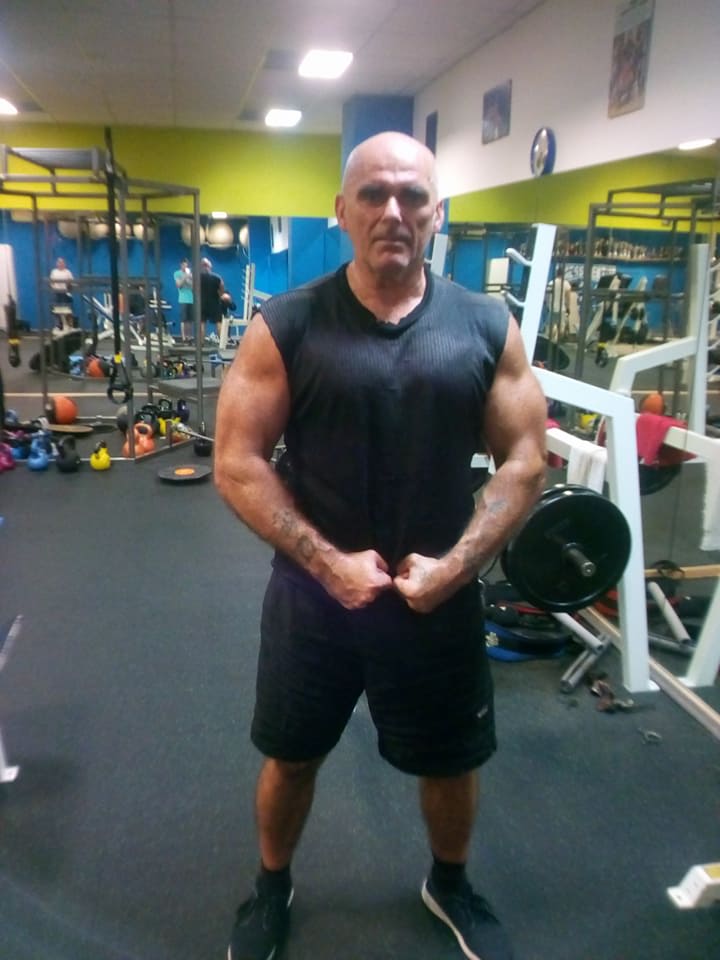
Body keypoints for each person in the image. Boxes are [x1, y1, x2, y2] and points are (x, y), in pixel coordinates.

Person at [213, 131, 548, 960]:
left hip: (438, 596)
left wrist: (457, 568)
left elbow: (525, 460)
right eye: (373, 194)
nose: (393, 211)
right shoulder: (287, 324)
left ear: (438, 212)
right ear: (342, 209)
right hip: (313, 600)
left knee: (452, 761)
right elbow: (236, 460)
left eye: (412, 196)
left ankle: (450, 883)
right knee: (291, 757)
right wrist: (328, 564)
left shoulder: (485, 325)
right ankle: (271, 885)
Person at [199, 256, 225, 341]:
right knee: (218, 322)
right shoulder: (217, 277)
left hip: (202, 303)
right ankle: (222, 344)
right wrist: (219, 295)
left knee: (202, 323)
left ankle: (201, 343)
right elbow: (222, 291)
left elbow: (194, 290)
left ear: (201, 266)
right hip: (214, 303)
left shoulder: (197, 278)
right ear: (210, 266)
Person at [49, 257, 74, 329]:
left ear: (64, 264)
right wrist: (54, 288)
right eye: (59, 262)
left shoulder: (68, 272)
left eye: (62, 262)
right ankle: (58, 325)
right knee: (56, 310)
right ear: (57, 264)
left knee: (67, 310)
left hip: (65, 293)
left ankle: (69, 325)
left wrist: (68, 287)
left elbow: (71, 282)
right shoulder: (54, 272)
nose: (60, 264)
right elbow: (51, 282)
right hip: (56, 293)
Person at [174, 257, 194, 341]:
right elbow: (179, 285)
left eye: (187, 265)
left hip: (191, 299)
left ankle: (189, 336)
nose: (185, 266)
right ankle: (183, 337)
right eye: (184, 265)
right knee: (183, 319)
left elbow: (192, 286)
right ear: (181, 265)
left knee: (190, 320)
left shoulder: (190, 274)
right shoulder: (177, 273)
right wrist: (185, 277)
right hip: (183, 299)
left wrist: (189, 277)